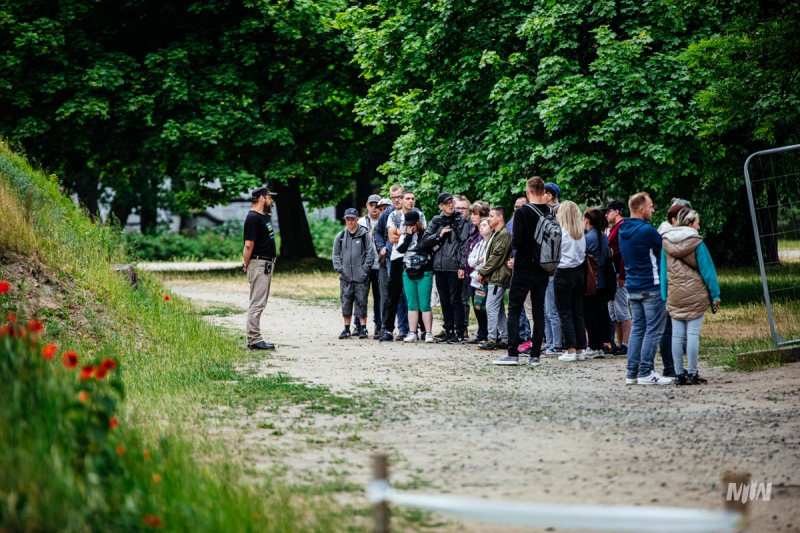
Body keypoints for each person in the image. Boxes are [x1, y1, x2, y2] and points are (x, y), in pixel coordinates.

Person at [493, 176, 551, 366]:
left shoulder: (522, 212)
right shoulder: (549, 211)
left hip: (524, 266)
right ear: (543, 192)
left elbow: (517, 241)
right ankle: (535, 355)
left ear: (527, 191)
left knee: (515, 309)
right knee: (538, 310)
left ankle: (512, 353)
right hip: (543, 266)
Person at [661, 209, 721, 385]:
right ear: (689, 224)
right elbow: (707, 270)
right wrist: (715, 294)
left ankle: (679, 375)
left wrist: (665, 298)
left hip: (675, 296)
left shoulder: (666, 243)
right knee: (692, 334)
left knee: (677, 335)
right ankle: (692, 374)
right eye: (697, 223)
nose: (699, 227)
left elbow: (663, 273)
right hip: (696, 294)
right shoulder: (697, 243)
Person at [619, 192, 672, 385]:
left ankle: (632, 373)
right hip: (651, 286)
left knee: (638, 329)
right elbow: (666, 250)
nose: (653, 210)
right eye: (650, 206)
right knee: (653, 330)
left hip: (633, 287)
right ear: (641, 209)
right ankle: (646, 372)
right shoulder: (646, 231)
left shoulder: (623, 230)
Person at [380, 190, 427, 341]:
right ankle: (388, 329)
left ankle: (423, 329)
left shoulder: (420, 215)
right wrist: (408, 233)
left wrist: (402, 233)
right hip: (397, 257)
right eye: (407, 198)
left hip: (415, 258)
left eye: (412, 198)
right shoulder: (394, 215)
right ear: (401, 200)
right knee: (393, 294)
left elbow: (422, 234)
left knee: (416, 295)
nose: (410, 201)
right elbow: (392, 238)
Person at [423, 193, 469, 343]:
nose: (451, 205)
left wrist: (462, 265)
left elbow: (464, 245)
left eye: (452, 202)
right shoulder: (436, 220)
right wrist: (439, 234)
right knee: (444, 300)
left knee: (456, 299)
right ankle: (448, 330)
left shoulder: (460, 221)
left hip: (454, 267)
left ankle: (459, 331)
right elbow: (425, 240)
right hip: (439, 267)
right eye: (447, 203)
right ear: (441, 206)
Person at [656, 202, 692, 377]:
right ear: (674, 219)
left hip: (673, 285)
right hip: (670, 286)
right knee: (668, 329)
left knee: (672, 328)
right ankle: (669, 367)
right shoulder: (669, 237)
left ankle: (673, 366)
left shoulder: (668, 234)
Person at [374, 185, 414, 340]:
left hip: (411, 258)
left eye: (398, 197)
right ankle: (398, 329)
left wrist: (399, 234)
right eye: (393, 198)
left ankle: (411, 329)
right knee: (395, 294)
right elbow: (381, 233)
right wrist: (381, 247)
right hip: (393, 258)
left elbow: (416, 234)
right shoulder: (388, 214)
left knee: (409, 293)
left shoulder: (415, 213)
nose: (396, 200)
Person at [550, 201, 587, 362]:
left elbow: (553, 256)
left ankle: (570, 349)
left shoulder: (560, 233)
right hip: (579, 272)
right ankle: (580, 349)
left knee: (564, 313)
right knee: (577, 312)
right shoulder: (580, 234)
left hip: (563, 273)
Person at [242, 186, 278, 350]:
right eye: (269, 197)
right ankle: (254, 340)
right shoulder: (253, 218)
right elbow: (249, 244)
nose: (271, 200)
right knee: (256, 303)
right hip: (259, 264)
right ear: (262, 198)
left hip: (265, 264)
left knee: (260, 302)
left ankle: (255, 338)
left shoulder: (261, 217)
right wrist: (246, 262)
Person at [333, 208, 377, 339]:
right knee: (346, 302)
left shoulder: (364, 235)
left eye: (352, 219)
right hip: (345, 276)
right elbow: (335, 254)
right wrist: (340, 268)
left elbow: (370, 253)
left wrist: (365, 269)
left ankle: (363, 328)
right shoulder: (341, 236)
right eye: (348, 219)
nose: (350, 222)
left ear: (357, 219)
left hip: (361, 276)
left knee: (362, 302)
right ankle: (346, 328)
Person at [477, 207, 513, 350]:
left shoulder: (504, 234)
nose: (489, 218)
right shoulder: (497, 234)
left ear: (500, 217)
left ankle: (491, 338)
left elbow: (496, 257)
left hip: (498, 277)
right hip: (495, 276)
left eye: (492, 216)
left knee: (491, 308)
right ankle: (505, 338)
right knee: (499, 309)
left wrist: (482, 272)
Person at [397, 211, 435, 342]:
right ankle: (412, 332)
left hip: (424, 272)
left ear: (417, 223)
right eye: (408, 225)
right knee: (412, 304)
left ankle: (428, 332)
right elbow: (400, 250)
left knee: (425, 304)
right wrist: (408, 236)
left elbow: (430, 249)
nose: (410, 227)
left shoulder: (426, 235)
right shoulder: (405, 236)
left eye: (412, 225)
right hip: (408, 272)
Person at [583, 208, 612, 358]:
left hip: (590, 282)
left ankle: (593, 345)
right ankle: (600, 345)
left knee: (590, 315)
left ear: (587, 220)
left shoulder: (587, 238)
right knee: (601, 314)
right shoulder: (603, 237)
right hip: (603, 280)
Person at [604, 199, 631, 355]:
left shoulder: (622, 227)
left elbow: (623, 252)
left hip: (619, 273)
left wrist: (622, 274)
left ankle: (626, 343)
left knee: (622, 310)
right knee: (615, 311)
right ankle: (620, 342)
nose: (606, 215)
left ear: (616, 211)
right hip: (613, 272)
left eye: (608, 211)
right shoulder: (616, 227)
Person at [506, 197, 533, 353]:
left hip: (528, 268)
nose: (518, 210)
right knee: (518, 308)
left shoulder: (531, 223)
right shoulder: (511, 223)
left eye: (521, 207)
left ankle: (531, 340)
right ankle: (521, 338)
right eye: (516, 207)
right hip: (515, 267)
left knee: (531, 310)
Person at [465, 202, 490, 344]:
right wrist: (474, 262)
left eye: (475, 214)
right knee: (477, 306)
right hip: (472, 274)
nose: (472, 217)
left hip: (482, 275)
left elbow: (484, 258)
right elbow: (471, 258)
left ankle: (487, 334)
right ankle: (481, 333)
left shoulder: (484, 236)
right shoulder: (473, 231)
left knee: (483, 306)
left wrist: (477, 263)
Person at [360, 194, 384, 338]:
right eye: (371, 205)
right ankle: (359, 325)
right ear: (367, 205)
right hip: (365, 265)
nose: (374, 208)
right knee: (361, 296)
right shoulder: (361, 222)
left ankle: (379, 325)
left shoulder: (385, 220)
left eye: (377, 205)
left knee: (379, 297)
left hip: (380, 265)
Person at [542, 187, 563, 356]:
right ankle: (549, 342)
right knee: (545, 311)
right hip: (544, 272)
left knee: (551, 311)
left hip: (552, 273)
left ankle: (556, 344)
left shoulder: (557, 227)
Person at [454, 195, 473, 340]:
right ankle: (451, 326)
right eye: (458, 208)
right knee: (451, 298)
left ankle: (464, 326)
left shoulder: (473, 226)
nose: (460, 211)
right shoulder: (451, 223)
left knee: (464, 298)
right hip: (451, 265)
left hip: (468, 267)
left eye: (463, 208)